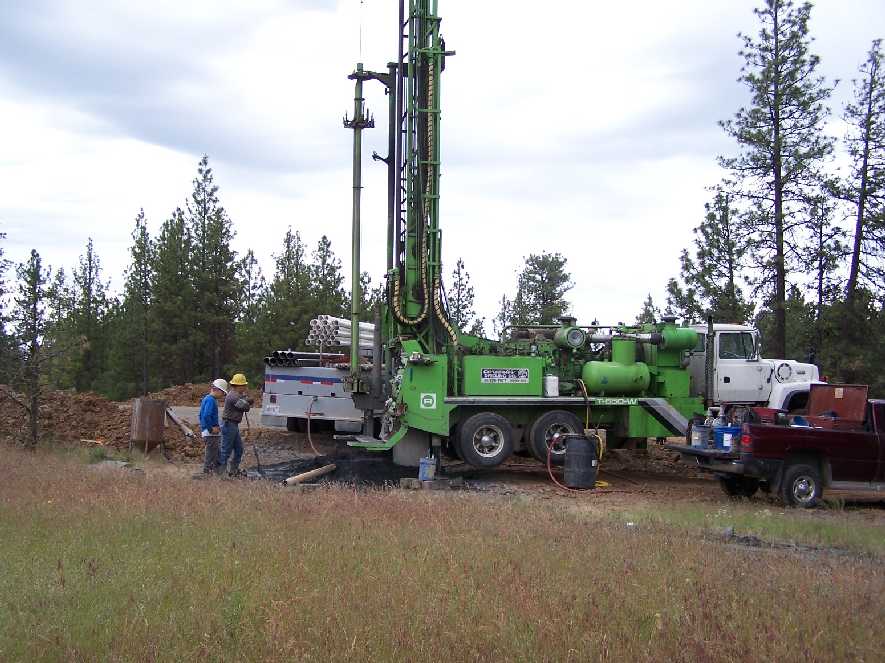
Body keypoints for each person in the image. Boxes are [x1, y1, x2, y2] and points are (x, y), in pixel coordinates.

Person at [219, 373, 254, 477]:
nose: (245, 387)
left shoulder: (238, 395)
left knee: (239, 449)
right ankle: (221, 473)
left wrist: (246, 400)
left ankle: (233, 471)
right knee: (226, 450)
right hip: (229, 424)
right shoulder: (232, 396)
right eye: (243, 385)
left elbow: (246, 402)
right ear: (238, 385)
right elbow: (245, 407)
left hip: (233, 425)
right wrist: (247, 401)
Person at [197, 378, 228, 477]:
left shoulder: (207, 399)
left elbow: (200, 415)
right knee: (211, 453)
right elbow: (206, 416)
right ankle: (207, 473)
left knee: (216, 453)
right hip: (210, 433)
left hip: (209, 431)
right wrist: (211, 429)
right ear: (218, 390)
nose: (223, 395)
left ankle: (218, 472)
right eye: (223, 393)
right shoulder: (211, 400)